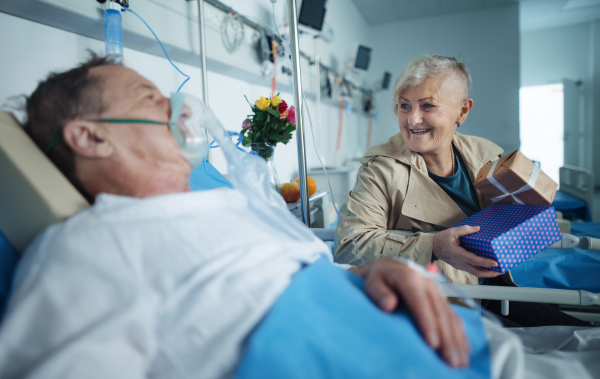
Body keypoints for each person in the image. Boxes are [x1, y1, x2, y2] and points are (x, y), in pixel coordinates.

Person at [0, 55, 472, 378]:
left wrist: (368, 273)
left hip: (438, 341)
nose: (176, 106)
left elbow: (300, 271)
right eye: (149, 97)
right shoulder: (94, 246)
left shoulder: (230, 202)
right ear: (91, 138)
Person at [334, 55, 591, 328]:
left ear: (463, 111)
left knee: (582, 334)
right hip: (441, 303)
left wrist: (532, 198)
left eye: (428, 106)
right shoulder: (380, 170)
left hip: (499, 289)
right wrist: (434, 246)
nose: (413, 119)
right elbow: (350, 247)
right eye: (404, 106)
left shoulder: (485, 154)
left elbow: (523, 208)